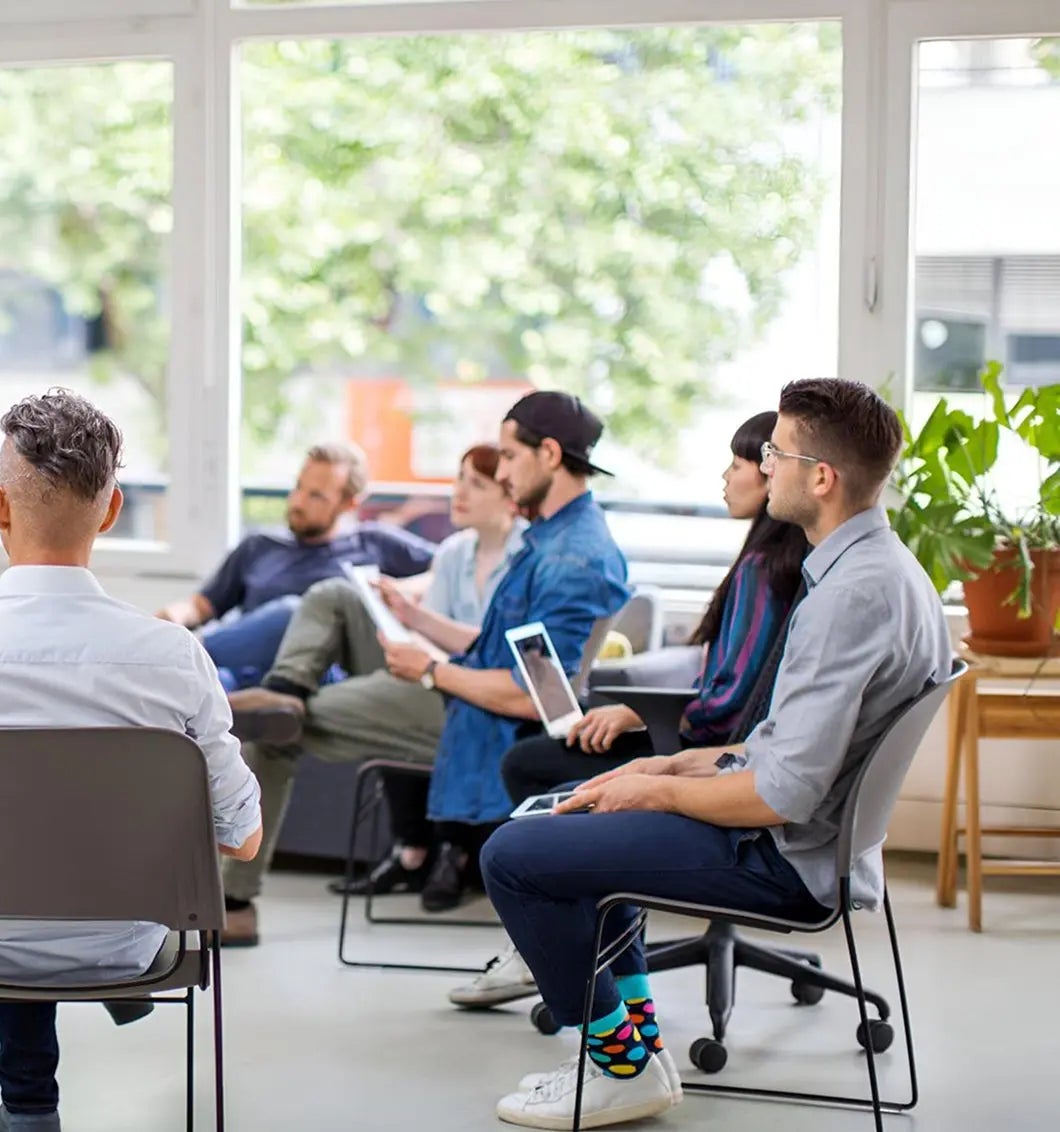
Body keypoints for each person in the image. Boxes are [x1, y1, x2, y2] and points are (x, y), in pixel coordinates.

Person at [479, 378, 955, 1129]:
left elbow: (779, 796)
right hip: (806, 842)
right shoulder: (880, 570)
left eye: (775, 454)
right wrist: (667, 765)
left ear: (820, 478)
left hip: (783, 859)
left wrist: (652, 793)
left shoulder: (848, 597)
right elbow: (783, 747)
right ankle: (638, 1054)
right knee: (584, 823)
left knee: (515, 856)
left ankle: (621, 1067)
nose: (764, 466)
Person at [0, 389, 262, 1132]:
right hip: (129, 939)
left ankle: (27, 1106)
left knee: (7, 860)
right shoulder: (174, 658)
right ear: (111, 510)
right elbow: (242, 838)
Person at [222, 391, 630, 943]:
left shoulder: (570, 558)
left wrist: (431, 671)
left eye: (509, 458)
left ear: (550, 455)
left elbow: (532, 695)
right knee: (335, 597)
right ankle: (285, 691)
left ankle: (234, 900)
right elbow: (506, 647)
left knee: (272, 737)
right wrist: (416, 619)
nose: (502, 473)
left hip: (483, 720)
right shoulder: (552, 538)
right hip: (465, 685)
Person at [448, 410, 809, 1009]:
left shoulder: (763, 569)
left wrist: (648, 728)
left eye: (738, 464)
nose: (725, 476)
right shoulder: (782, 560)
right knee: (546, 768)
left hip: (715, 756)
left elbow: (727, 703)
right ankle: (609, 984)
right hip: (727, 752)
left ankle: (561, 957)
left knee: (534, 774)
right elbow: (728, 679)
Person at [330, 443, 527, 897]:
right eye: (459, 479)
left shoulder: (528, 557)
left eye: (477, 484)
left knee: (440, 707)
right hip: (446, 676)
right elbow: (433, 633)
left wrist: (431, 652)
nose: (459, 492)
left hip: (494, 686)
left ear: (510, 495)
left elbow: (498, 647)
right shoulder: (453, 553)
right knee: (395, 701)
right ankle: (415, 849)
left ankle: (445, 850)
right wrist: (413, 640)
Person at [156, 441, 435, 691]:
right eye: (299, 487)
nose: (298, 501)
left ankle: (183, 654)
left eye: (316, 496)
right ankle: (185, 660)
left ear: (348, 504)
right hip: (246, 671)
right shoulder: (259, 546)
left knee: (298, 611)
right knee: (192, 690)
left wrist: (400, 588)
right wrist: (171, 616)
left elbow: (444, 566)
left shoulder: (373, 543)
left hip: (321, 674)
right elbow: (202, 605)